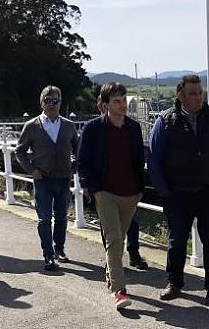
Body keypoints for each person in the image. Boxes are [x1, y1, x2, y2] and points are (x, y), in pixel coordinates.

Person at [148, 74, 209, 310]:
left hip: (208, 191)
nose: (198, 97)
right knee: (177, 242)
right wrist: (164, 192)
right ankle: (174, 283)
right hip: (178, 192)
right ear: (181, 96)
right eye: (193, 94)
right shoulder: (165, 121)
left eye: (200, 93)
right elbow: (154, 160)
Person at [78, 82, 146, 309]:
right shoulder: (93, 128)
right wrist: (93, 189)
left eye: (124, 100)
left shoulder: (134, 128)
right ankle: (120, 290)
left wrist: (140, 191)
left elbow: (139, 160)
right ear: (105, 104)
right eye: (117, 101)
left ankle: (110, 274)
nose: (123, 105)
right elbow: (83, 162)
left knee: (119, 239)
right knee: (115, 240)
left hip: (130, 193)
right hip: (105, 192)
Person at [15, 85, 78, 271]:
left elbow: (78, 148)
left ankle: (59, 249)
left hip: (63, 178)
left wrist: (74, 165)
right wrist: (31, 170)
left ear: (60, 103)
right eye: (48, 101)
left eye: (55, 101)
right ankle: (48, 254)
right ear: (41, 103)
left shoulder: (68, 125)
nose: (51, 104)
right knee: (44, 219)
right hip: (42, 179)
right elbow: (20, 151)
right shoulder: (32, 126)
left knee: (62, 218)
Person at [94, 95, 149, 271]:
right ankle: (113, 261)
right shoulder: (96, 129)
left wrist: (139, 186)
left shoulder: (130, 127)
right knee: (109, 229)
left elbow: (139, 157)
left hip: (128, 187)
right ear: (102, 106)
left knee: (132, 222)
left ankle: (133, 254)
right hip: (106, 188)